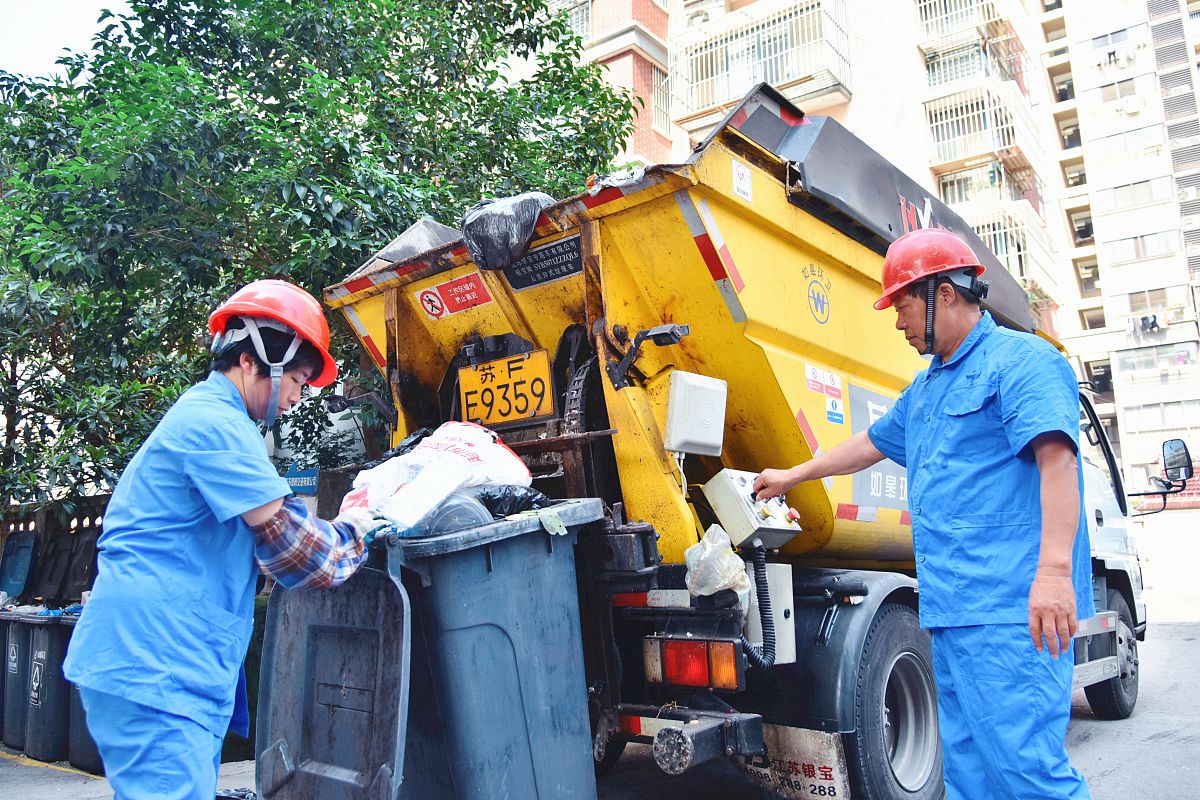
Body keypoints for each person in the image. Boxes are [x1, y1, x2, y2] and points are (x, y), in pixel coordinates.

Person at [753, 228, 1094, 799]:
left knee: (1025, 772)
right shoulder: (928, 389)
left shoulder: (1022, 361)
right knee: (966, 773)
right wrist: (793, 475)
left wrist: (1055, 574)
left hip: (1010, 612)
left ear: (944, 293)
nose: (898, 321)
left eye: (903, 304)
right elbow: (870, 443)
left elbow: (1058, 464)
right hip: (952, 612)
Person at [63, 279, 381, 800]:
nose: (299, 396)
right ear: (254, 360)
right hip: (158, 670)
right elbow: (303, 556)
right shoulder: (214, 425)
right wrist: (363, 528)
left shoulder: (214, 418)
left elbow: (259, 554)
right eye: (298, 379)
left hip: (162, 668)